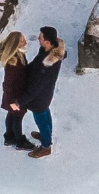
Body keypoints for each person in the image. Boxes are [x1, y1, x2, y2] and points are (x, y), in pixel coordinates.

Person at [18, 26, 66, 158]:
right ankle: (46, 136)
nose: (38, 38)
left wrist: (21, 101)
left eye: (41, 37)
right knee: (46, 115)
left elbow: (37, 87)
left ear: (48, 42)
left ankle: (46, 146)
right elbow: (34, 66)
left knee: (42, 120)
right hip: (44, 96)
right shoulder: (46, 52)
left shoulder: (48, 65)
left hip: (40, 97)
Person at [0, 31, 29, 149]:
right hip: (15, 95)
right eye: (22, 40)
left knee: (11, 115)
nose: (25, 41)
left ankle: (9, 137)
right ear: (16, 44)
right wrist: (11, 101)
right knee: (17, 117)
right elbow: (8, 83)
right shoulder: (13, 61)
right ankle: (20, 141)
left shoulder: (19, 55)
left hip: (15, 93)